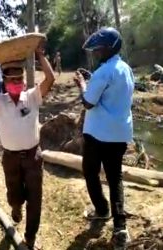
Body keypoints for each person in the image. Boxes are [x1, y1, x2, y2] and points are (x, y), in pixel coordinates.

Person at [0, 40, 55, 250]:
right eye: (12, 80)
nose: (16, 82)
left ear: (24, 81)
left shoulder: (32, 97)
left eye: (19, 79)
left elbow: (50, 79)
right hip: (11, 158)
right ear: (5, 83)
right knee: (14, 193)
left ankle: (30, 237)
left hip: (33, 157)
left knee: (35, 198)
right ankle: (16, 208)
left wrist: (40, 56)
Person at [73, 27, 134, 249]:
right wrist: (92, 82)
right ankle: (120, 227)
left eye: (99, 47)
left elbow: (88, 102)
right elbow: (114, 93)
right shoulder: (126, 69)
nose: (96, 51)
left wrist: (82, 85)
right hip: (120, 133)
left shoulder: (103, 72)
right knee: (115, 177)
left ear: (110, 47)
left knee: (90, 171)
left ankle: (101, 210)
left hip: (98, 133)